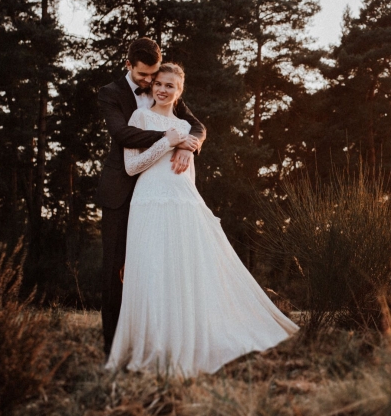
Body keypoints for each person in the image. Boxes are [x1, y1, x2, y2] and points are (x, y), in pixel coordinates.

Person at [106, 63, 298, 375]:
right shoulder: (140, 118)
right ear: (152, 85)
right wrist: (167, 143)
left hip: (183, 201)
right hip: (150, 199)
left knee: (185, 267)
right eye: (159, 84)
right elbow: (132, 166)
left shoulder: (186, 127)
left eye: (171, 86)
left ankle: (193, 334)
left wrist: (187, 149)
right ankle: (155, 342)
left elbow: (188, 171)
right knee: (153, 267)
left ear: (179, 92)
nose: (163, 90)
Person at [97, 38, 204, 356]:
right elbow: (122, 133)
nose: (150, 83)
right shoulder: (111, 93)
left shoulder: (162, 85)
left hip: (159, 191)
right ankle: (114, 345)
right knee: (116, 270)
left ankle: (156, 336)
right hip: (121, 190)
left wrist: (188, 142)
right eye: (144, 76)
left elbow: (195, 126)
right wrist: (170, 138)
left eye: (154, 76)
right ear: (128, 65)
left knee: (159, 265)